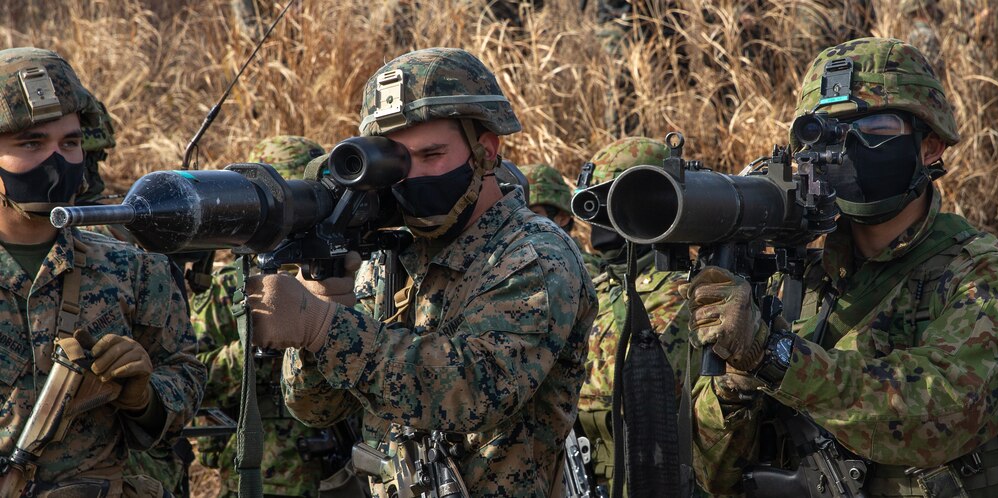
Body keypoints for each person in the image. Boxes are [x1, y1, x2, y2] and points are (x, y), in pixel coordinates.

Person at [687, 38, 998, 497]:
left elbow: (938, 415)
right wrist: (737, 381)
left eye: (876, 127)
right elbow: (713, 475)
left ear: (931, 145)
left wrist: (774, 357)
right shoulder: (796, 285)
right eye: (828, 131)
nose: (848, 148)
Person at [246, 47, 596, 496]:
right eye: (399, 161)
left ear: (486, 152)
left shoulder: (535, 255)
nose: (414, 176)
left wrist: (322, 328)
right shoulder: (390, 254)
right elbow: (315, 408)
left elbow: (472, 391)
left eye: (431, 155)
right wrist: (329, 297)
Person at [0, 47, 205, 497]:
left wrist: (144, 395)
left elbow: (186, 379)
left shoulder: (134, 268)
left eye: (69, 143)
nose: (57, 162)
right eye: (31, 143)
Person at [190, 135, 328, 498]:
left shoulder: (342, 275)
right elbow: (190, 382)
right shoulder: (228, 288)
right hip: (254, 481)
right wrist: (249, 346)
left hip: (341, 474)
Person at [576, 137, 698, 493]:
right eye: (593, 204)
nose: (600, 222)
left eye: (611, 201)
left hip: (652, 477)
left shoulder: (685, 289)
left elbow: (629, 385)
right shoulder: (595, 285)